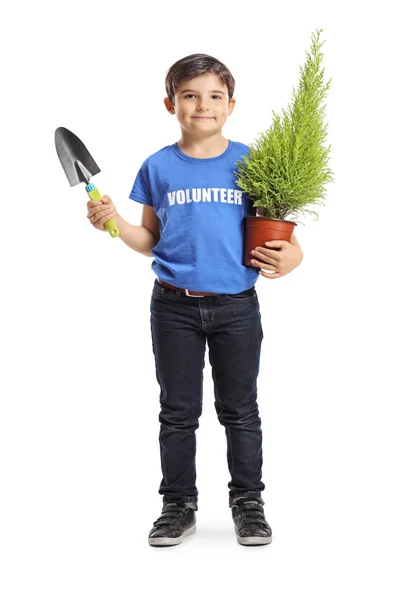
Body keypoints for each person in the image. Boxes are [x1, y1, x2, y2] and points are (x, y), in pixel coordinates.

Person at [86, 53, 303, 547]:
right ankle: (177, 504)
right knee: (177, 411)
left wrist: (293, 257)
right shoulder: (158, 166)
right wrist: (114, 222)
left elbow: (281, 230)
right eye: (190, 95)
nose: (202, 105)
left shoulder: (253, 164)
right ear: (171, 104)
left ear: (231, 105)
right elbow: (150, 240)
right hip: (173, 307)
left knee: (240, 409)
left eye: (214, 96)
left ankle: (248, 502)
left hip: (236, 307)